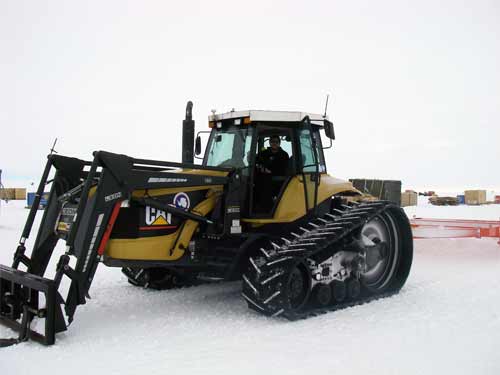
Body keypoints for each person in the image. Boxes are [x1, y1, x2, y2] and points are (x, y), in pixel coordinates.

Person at [254, 135, 289, 211]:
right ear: (269, 142)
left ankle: (266, 207)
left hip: (278, 179)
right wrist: (260, 167)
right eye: (272, 142)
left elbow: (284, 168)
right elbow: (257, 163)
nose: (274, 143)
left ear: (279, 143)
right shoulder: (263, 153)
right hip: (262, 177)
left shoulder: (284, 155)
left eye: (276, 142)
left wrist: (270, 171)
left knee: (266, 185)